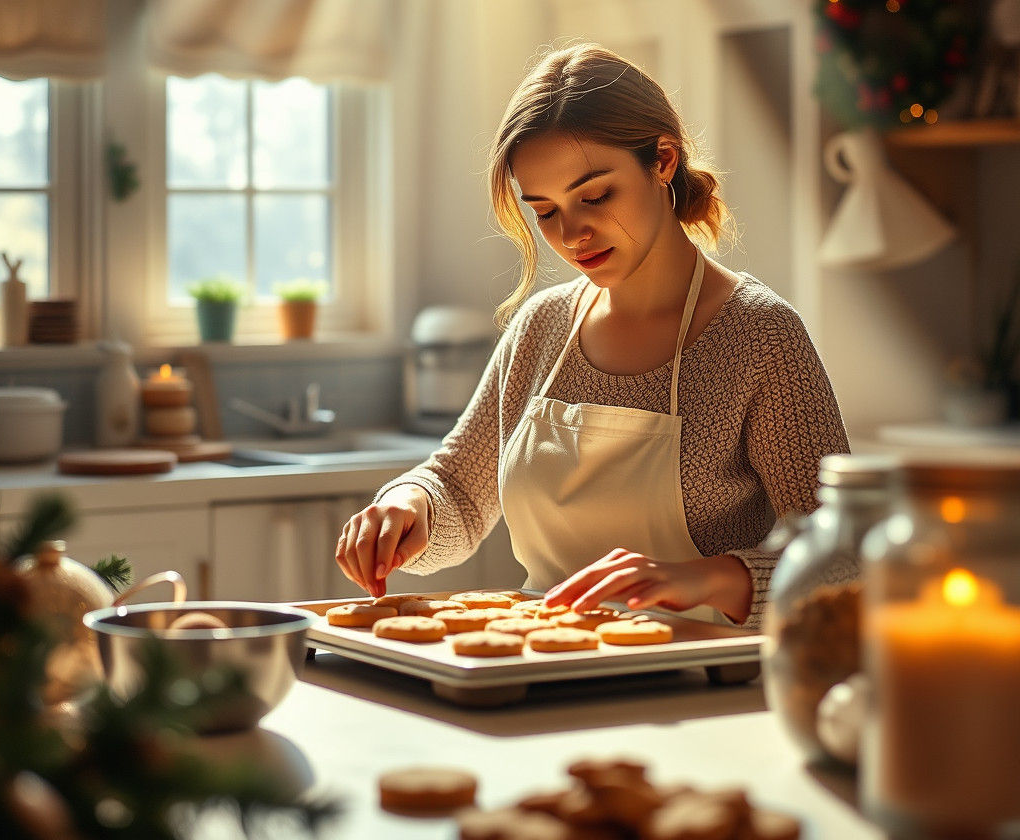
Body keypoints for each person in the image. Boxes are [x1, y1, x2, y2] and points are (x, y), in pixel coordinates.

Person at [336, 43, 849, 628]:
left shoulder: (761, 336)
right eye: (546, 212)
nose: (573, 234)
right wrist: (408, 505)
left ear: (661, 160)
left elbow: (842, 557)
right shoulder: (543, 327)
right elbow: (458, 490)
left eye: (595, 196)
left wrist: (708, 578)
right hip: (547, 674)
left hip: (702, 684)